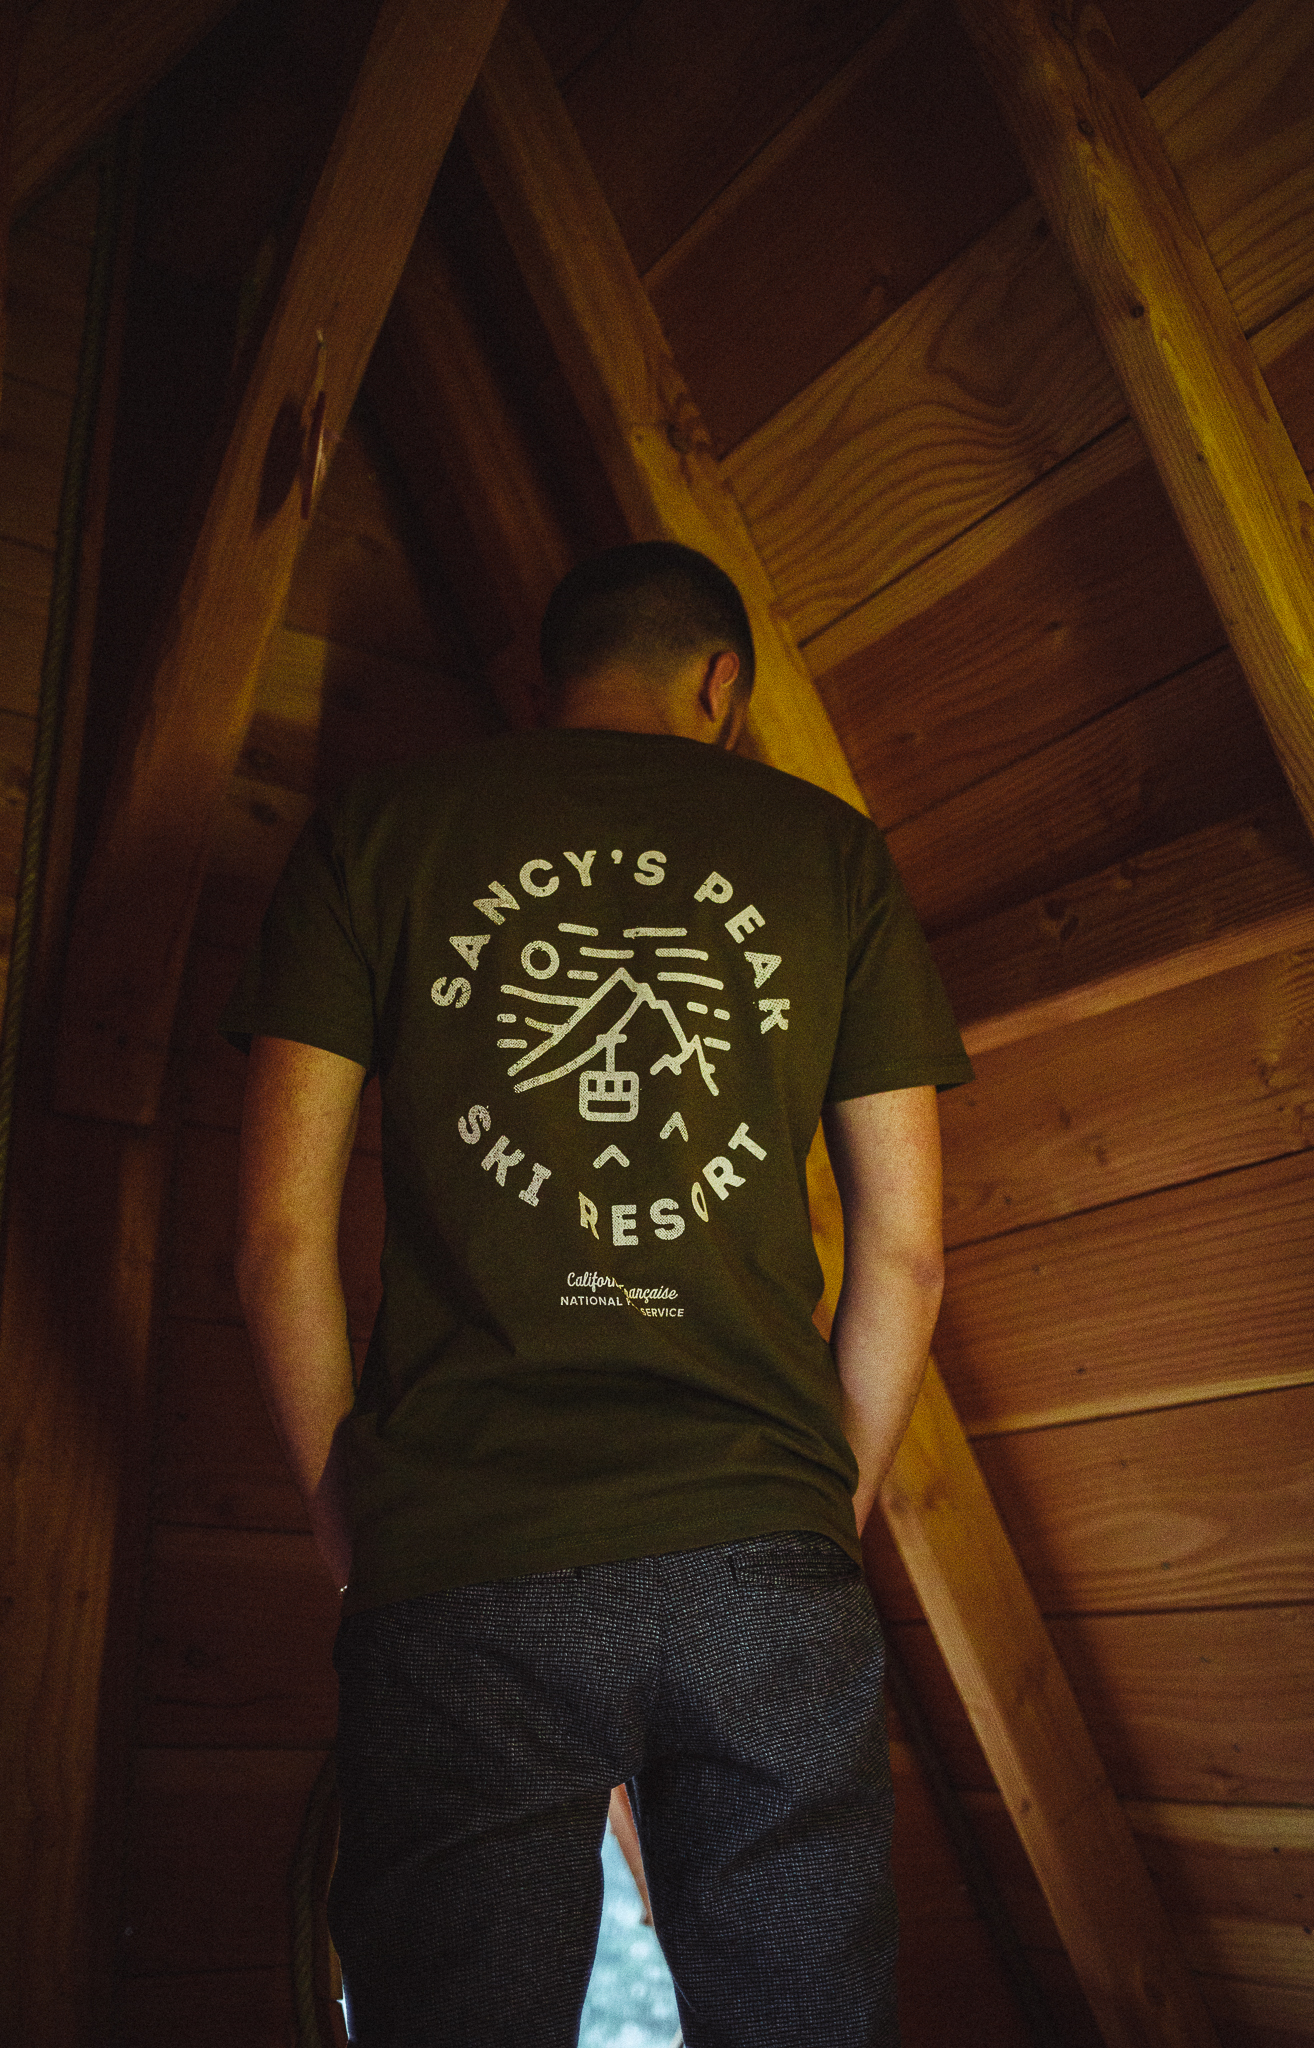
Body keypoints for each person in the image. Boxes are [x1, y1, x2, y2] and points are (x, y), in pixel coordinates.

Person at [227, 541, 973, 2047]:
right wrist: (809, 1516)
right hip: (759, 1553)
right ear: (722, 684)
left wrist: (360, 1539)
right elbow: (905, 1251)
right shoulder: (831, 854)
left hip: (464, 1553)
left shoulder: (376, 833)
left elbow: (275, 1242)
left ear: (538, 684)